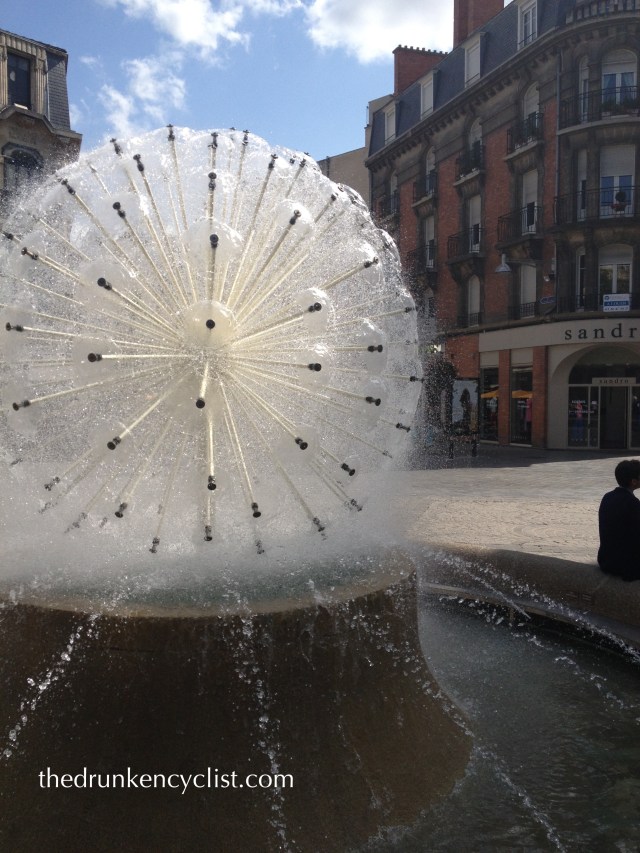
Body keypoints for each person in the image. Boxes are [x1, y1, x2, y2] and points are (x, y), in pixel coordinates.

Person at [598, 459, 640, 581]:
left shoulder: (607, 497)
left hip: (606, 560)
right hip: (626, 566)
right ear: (633, 482)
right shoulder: (633, 504)